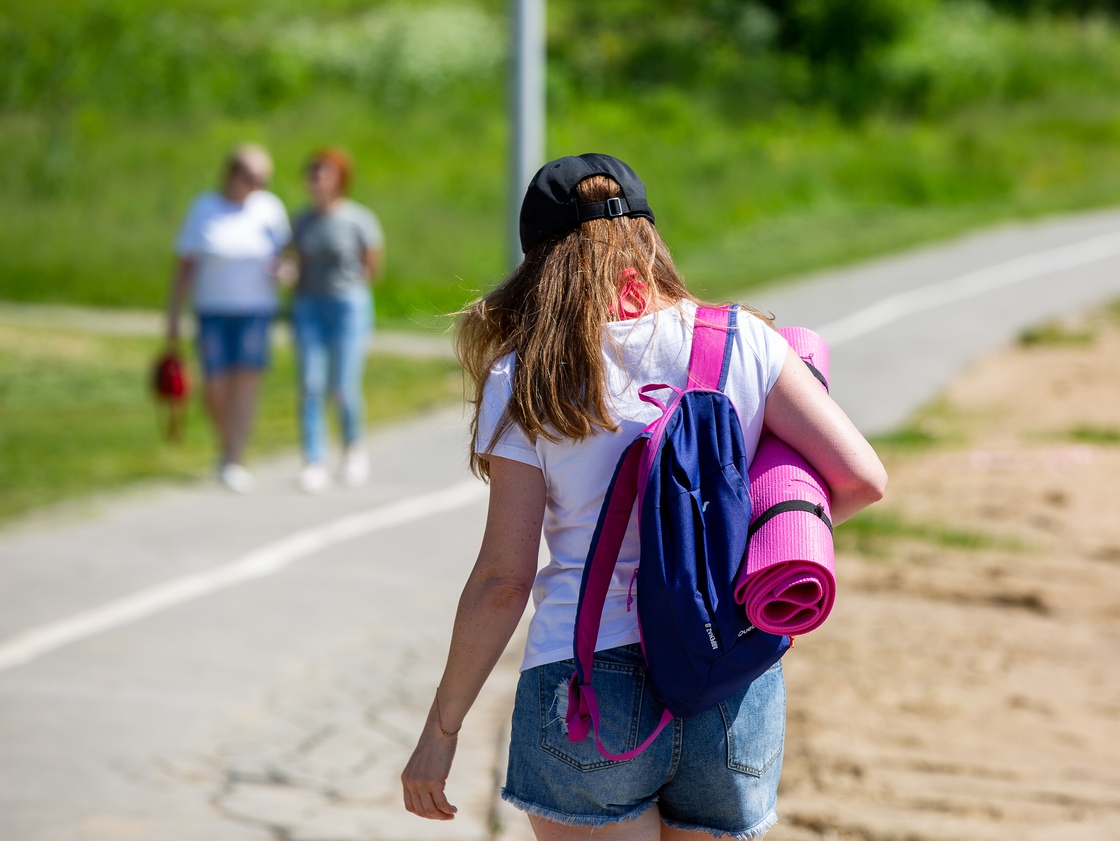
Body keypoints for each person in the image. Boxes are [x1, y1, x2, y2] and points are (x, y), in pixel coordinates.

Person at [400, 154, 887, 840]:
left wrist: (441, 728)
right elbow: (863, 476)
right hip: (726, 667)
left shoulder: (530, 375)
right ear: (648, 236)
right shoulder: (744, 340)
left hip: (588, 679)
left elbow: (502, 581)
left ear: (539, 261)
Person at [166, 144, 291, 493]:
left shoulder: (269, 209)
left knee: (246, 383)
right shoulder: (204, 208)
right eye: (252, 177)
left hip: (255, 310)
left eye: (263, 179)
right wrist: (173, 313)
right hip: (213, 310)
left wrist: (285, 272)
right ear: (231, 174)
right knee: (215, 386)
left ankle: (235, 456)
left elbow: (285, 255)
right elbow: (185, 265)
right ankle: (226, 444)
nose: (257, 185)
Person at [288, 148, 384, 493]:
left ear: (339, 178)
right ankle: (314, 459)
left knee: (342, 385)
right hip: (309, 304)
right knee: (311, 384)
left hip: (347, 304)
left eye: (323, 171)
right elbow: (295, 261)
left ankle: (353, 449)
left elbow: (371, 267)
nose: (315, 177)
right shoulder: (301, 221)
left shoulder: (358, 219)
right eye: (311, 170)